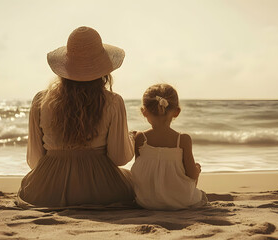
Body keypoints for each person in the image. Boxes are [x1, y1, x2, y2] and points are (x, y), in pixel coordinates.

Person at [18, 26, 135, 207]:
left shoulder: (41, 101)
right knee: (131, 183)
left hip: (47, 191)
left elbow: (34, 161)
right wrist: (131, 141)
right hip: (100, 191)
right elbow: (119, 158)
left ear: (65, 66)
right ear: (102, 68)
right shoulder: (113, 102)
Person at [131, 84, 208, 210]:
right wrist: (197, 170)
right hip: (180, 201)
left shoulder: (141, 138)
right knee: (196, 173)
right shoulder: (182, 140)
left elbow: (139, 172)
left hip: (145, 201)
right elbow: (191, 174)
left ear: (144, 112)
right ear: (177, 112)